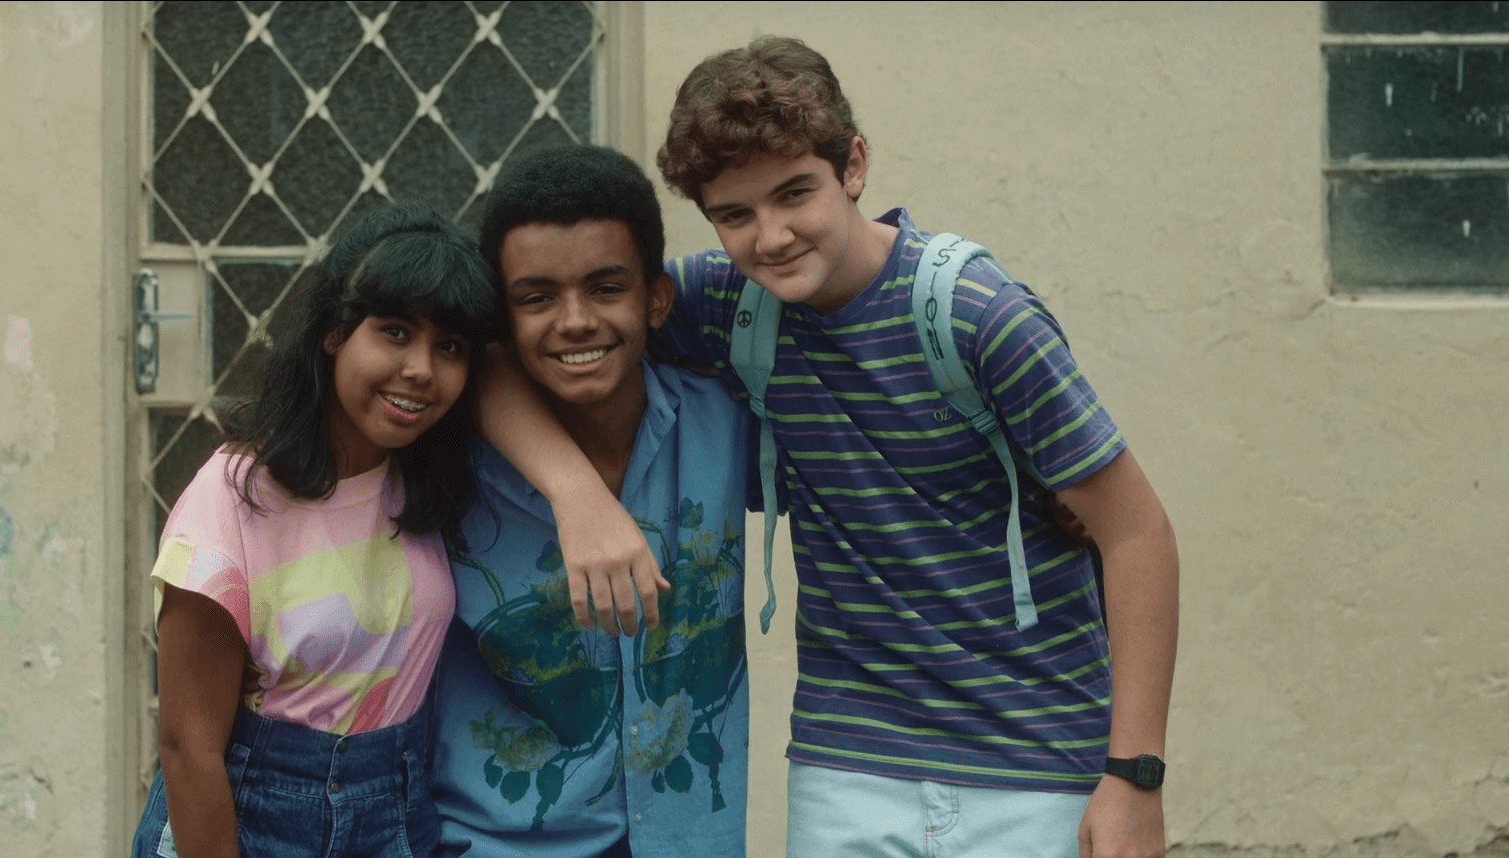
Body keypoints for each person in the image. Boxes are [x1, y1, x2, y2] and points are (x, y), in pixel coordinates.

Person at [482, 37, 1180, 858]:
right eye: (735, 215)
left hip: (1035, 761)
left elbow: (1137, 534)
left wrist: (1134, 777)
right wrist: (578, 497)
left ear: (853, 166)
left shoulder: (977, 318)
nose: (771, 237)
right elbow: (490, 354)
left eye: (794, 194)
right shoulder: (722, 303)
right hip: (845, 764)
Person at [131, 203, 506, 858]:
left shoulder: (430, 485)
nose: (421, 369)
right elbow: (189, 749)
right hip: (252, 819)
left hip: (397, 813)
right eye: (395, 332)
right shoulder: (235, 497)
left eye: (449, 347)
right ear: (335, 332)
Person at [429, 145, 754, 857]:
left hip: (693, 842)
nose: (575, 321)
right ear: (501, 317)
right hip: (494, 845)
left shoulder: (729, 426)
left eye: (606, 288)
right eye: (537, 298)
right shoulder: (442, 457)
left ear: (656, 299)